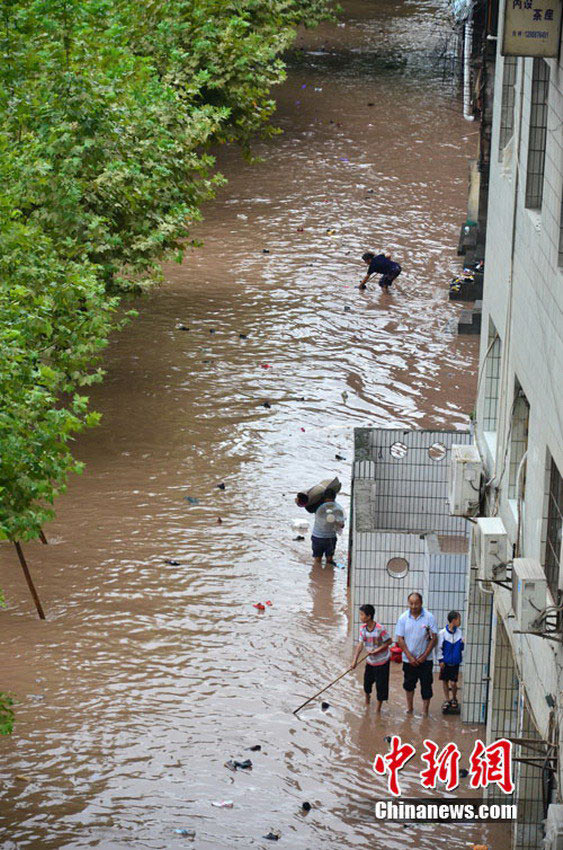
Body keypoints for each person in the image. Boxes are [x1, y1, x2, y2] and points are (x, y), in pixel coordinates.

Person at [395, 592, 438, 717]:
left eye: (416, 603)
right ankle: (410, 708)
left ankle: (425, 711)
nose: (414, 606)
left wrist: (424, 656)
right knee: (409, 685)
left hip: (426, 660)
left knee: (426, 685)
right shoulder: (403, 618)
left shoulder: (429, 617)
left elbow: (434, 638)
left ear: (421, 603)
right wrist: (409, 656)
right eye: (411, 603)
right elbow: (400, 639)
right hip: (409, 660)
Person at [352, 604, 392, 712]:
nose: (360, 617)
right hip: (370, 661)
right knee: (367, 683)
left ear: (369, 616)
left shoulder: (380, 629)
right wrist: (354, 661)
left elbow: (389, 641)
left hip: (382, 662)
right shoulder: (362, 629)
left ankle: (378, 709)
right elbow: (360, 644)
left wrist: (377, 650)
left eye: (361, 615)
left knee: (381, 686)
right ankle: (367, 701)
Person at [437, 610, 464, 712]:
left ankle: (454, 698)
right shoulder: (442, 633)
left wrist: (462, 644)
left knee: (453, 683)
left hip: (455, 662)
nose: (460, 621)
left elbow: (461, 647)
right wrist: (440, 660)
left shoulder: (459, 632)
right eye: (459, 619)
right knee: (445, 681)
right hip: (445, 662)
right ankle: (447, 699)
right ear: (453, 620)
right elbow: (439, 648)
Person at [311, 488, 345, 567]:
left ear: (334, 499)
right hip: (318, 537)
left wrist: (335, 521)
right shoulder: (318, 508)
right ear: (324, 499)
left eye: (331, 501)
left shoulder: (338, 510)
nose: (329, 503)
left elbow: (342, 525)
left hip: (330, 538)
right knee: (317, 561)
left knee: (329, 560)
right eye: (327, 501)